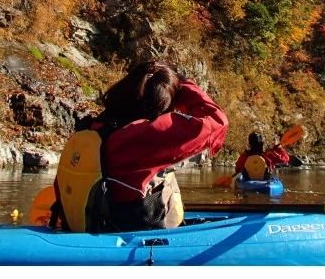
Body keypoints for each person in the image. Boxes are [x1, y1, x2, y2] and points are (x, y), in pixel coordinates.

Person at [49, 61, 229, 233]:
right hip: (125, 235)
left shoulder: (93, 127)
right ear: (162, 103)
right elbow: (217, 122)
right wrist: (183, 85)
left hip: (81, 226)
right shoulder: (144, 136)